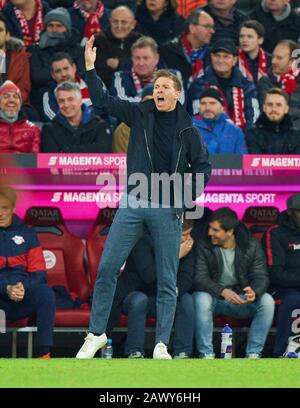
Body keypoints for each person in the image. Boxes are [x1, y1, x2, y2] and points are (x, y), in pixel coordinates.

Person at [76, 35, 211, 359]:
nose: (159, 91)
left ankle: (161, 344)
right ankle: (95, 335)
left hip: (167, 208)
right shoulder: (141, 114)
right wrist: (90, 70)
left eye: (166, 87)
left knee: (167, 278)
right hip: (133, 204)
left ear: (177, 94)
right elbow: (105, 102)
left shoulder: (189, 131)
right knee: (107, 267)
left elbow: (204, 168)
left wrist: (182, 198)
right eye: (157, 86)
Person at [106, 219, 195, 358]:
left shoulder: (187, 245)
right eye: (184, 235)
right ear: (171, 234)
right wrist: (175, 256)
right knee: (139, 301)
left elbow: (188, 276)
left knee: (187, 300)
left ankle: (182, 352)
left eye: (189, 234)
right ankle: (134, 351)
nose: (188, 239)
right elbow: (149, 276)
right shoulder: (143, 241)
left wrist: (176, 291)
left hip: (166, 296)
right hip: (137, 293)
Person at [193, 207, 275, 358]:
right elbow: (200, 278)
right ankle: (206, 354)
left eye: (215, 230)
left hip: (240, 298)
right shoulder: (204, 244)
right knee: (201, 298)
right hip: (216, 298)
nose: (210, 233)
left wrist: (254, 292)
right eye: (210, 228)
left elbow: (261, 275)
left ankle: (253, 354)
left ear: (230, 231)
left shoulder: (251, 245)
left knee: (267, 301)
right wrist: (222, 291)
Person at [0, 186, 55, 358]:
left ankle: (44, 354)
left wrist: (22, 286)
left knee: (46, 293)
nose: (0, 213)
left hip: (22, 298)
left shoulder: (28, 235)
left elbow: (39, 274)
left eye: (5, 208)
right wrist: (6, 288)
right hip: (1, 297)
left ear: (13, 208)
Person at [188, 38, 259, 129]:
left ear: (234, 60)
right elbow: (196, 116)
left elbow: (253, 118)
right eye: (217, 56)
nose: (221, 60)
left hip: (241, 138)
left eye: (226, 57)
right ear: (211, 57)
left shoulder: (246, 85)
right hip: (208, 138)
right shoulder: (199, 84)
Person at [263, 193, 300, 357]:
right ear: (290, 212)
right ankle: (282, 351)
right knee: (293, 299)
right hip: (282, 289)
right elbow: (275, 273)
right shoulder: (276, 233)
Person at [41, 81, 112, 153]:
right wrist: (90, 148)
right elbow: (49, 161)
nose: (66, 104)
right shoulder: (49, 129)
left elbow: (105, 157)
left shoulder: (100, 126)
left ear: (80, 100)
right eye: (61, 101)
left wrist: (66, 150)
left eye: (70, 99)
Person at [159, 9, 214, 88]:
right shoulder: (168, 51)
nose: (212, 31)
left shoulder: (212, 54)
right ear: (192, 28)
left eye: (212, 27)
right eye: (207, 27)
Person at [93, 6, 140, 89]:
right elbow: (101, 73)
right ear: (110, 22)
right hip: (107, 91)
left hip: (137, 87)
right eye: (115, 21)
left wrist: (119, 63)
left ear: (133, 24)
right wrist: (130, 64)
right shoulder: (98, 41)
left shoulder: (140, 41)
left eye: (124, 22)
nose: (119, 26)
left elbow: (144, 68)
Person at [258, 40, 300, 129]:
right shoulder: (265, 81)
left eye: (279, 58)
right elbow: (269, 112)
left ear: (291, 62)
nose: (273, 61)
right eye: (273, 57)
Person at [193, 88, 248, 154]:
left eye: (212, 103)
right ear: (199, 107)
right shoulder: (189, 129)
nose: (207, 107)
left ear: (222, 108)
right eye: (203, 103)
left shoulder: (235, 131)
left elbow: (242, 159)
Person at [245, 88, 300, 154]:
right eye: (270, 104)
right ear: (264, 108)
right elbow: (251, 162)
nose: (274, 109)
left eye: (278, 105)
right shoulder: (251, 134)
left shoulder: (297, 136)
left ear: (286, 109)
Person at [42, 52, 92, 121]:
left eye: (66, 68)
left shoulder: (92, 84)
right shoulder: (49, 96)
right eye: (58, 71)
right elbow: (55, 120)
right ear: (53, 75)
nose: (63, 74)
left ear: (74, 68)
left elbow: (105, 108)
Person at [0, 80, 41, 153]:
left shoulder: (33, 130)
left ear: (20, 103)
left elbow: (35, 160)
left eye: (16, 97)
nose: (11, 100)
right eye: (6, 96)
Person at [238, 20, 271, 87]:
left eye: (249, 36)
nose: (244, 40)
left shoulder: (271, 60)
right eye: (242, 36)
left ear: (260, 40)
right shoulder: (233, 57)